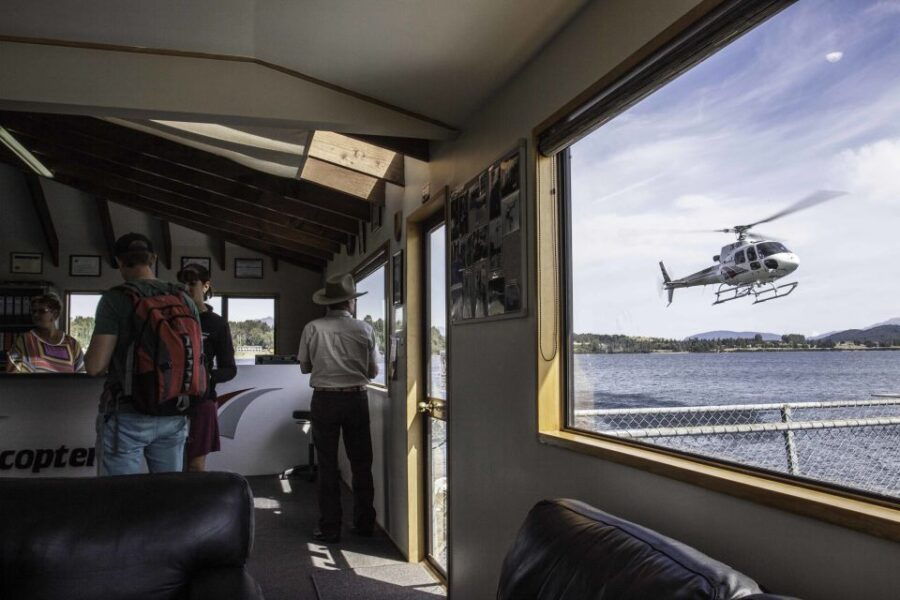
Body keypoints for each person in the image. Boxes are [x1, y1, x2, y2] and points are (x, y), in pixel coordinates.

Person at [84, 232, 202, 476]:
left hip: (127, 414)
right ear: (154, 258)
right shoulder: (184, 298)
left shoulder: (115, 299)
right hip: (174, 412)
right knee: (167, 493)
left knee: (121, 495)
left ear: (118, 261)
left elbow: (95, 366)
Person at [297, 273, 379, 543]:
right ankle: (364, 523)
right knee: (362, 464)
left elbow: (305, 367)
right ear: (350, 302)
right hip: (356, 400)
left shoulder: (312, 328)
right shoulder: (365, 329)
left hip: (324, 400)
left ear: (327, 302)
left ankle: (330, 527)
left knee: (327, 464)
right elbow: (373, 371)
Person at [177, 263, 236, 472]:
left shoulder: (217, 323)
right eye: (182, 284)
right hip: (170, 403)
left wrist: (207, 376)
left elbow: (229, 369)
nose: (186, 289)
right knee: (169, 466)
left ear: (205, 286)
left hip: (202, 402)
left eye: (192, 284)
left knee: (195, 465)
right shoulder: (170, 318)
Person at [5, 293, 85, 373]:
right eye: (34, 311)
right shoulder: (24, 341)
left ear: (55, 314)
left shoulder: (72, 344)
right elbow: (12, 374)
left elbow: (81, 375)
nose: (36, 315)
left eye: (41, 311)